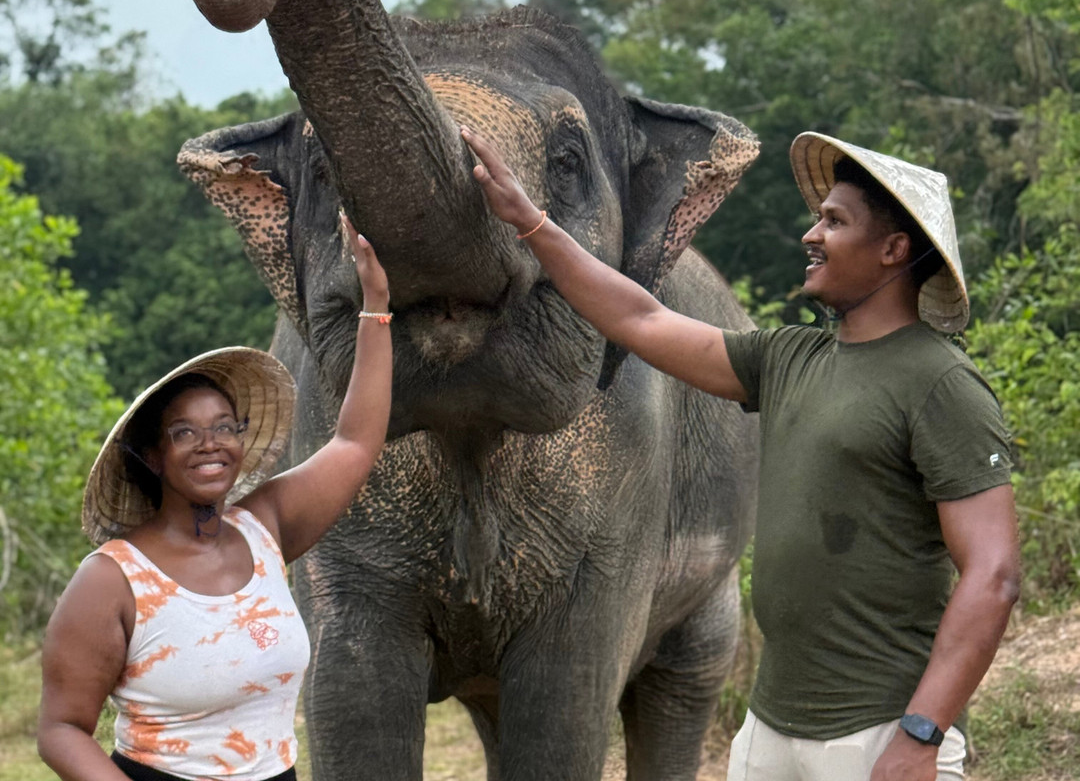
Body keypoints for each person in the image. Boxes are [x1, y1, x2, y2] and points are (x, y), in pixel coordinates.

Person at [460, 125, 1020, 781]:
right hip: (773, 728)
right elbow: (641, 320)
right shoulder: (788, 358)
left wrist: (922, 734)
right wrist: (532, 224)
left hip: (881, 731)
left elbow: (995, 574)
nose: (811, 236)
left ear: (894, 249)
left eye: (834, 222)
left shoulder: (941, 383)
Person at [37, 213, 392, 781]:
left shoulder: (266, 527)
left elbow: (355, 440)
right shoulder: (114, 580)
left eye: (225, 427)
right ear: (153, 456)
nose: (211, 445)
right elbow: (60, 729)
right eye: (185, 432)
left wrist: (375, 303)